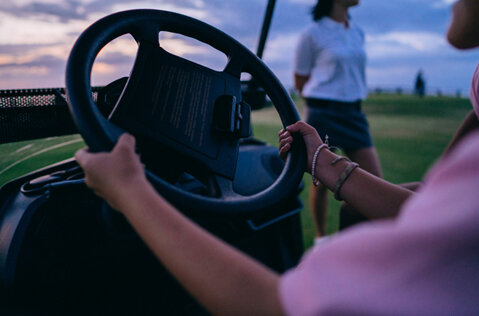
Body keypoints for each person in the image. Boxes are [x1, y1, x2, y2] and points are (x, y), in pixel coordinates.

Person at [75, 0, 479, 314]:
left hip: (352, 109)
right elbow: (426, 204)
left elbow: (274, 307)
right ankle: (324, 240)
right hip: (326, 107)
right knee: (356, 211)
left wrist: (129, 189)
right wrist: (322, 159)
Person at [293, 0, 382, 237]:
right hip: (322, 113)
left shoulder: (357, 32)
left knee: (375, 181)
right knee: (321, 182)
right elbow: (300, 79)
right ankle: (321, 238)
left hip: (353, 113)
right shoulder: (312, 33)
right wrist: (322, 103)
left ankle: (363, 241)